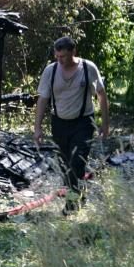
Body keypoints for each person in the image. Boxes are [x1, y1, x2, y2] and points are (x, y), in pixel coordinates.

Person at [33, 36, 109, 213]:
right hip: (59, 123)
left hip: (83, 122)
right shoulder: (50, 71)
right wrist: (37, 128)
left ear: (73, 52)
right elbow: (43, 99)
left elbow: (101, 95)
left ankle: (71, 205)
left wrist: (105, 124)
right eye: (57, 57)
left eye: (64, 57)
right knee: (65, 165)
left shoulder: (88, 68)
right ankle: (78, 196)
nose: (60, 60)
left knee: (77, 163)